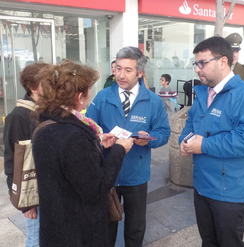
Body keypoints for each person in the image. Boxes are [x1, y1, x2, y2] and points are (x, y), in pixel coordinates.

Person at [179, 36, 244, 247]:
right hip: (203, 186)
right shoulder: (202, 92)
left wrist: (203, 145)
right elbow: (191, 125)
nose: (197, 69)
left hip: (231, 192)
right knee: (208, 241)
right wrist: (186, 141)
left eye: (202, 63)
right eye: (196, 63)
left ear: (223, 61)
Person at [32, 60, 133, 247]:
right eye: (89, 90)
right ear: (80, 96)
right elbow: (95, 189)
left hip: (55, 227)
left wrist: (97, 146)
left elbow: (68, 166)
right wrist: (120, 149)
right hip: (77, 232)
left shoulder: (46, 125)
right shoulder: (73, 135)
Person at [86, 46, 170, 247]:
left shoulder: (153, 101)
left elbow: (163, 133)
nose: (120, 75)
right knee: (106, 225)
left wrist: (150, 138)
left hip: (136, 175)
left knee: (135, 227)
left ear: (140, 73)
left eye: (128, 70)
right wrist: (101, 138)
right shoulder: (102, 97)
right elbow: (89, 129)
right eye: (118, 68)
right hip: (107, 173)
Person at [3, 62, 48, 247]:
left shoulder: (47, 110)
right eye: (48, 81)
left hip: (50, 190)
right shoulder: (19, 116)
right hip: (33, 194)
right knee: (36, 238)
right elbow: (13, 161)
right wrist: (25, 204)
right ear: (33, 87)